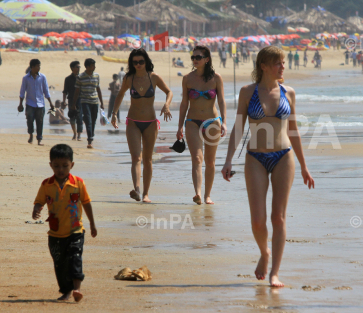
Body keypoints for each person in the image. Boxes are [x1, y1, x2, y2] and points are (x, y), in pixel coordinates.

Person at [221, 46, 314, 287]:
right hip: (255, 158)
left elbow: (293, 130)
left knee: (278, 218)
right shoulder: (247, 92)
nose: (282, 66)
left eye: (283, 62)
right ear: (263, 66)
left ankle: (275, 273)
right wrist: (229, 159)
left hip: (284, 157)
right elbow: (238, 127)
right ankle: (264, 253)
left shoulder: (289, 92)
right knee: (258, 221)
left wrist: (304, 166)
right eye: (277, 63)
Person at [32, 144, 97, 302]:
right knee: (59, 264)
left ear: (72, 165)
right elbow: (39, 201)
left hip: (75, 230)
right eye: (56, 166)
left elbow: (87, 203)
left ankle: (77, 289)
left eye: (65, 166)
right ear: (51, 165)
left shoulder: (78, 183)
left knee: (75, 257)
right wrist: (36, 209)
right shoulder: (46, 184)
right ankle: (66, 291)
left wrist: (92, 224)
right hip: (55, 233)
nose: (60, 169)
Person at [111, 49, 173, 203]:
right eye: (135, 62)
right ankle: (137, 190)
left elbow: (169, 92)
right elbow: (120, 95)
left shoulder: (154, 77)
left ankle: (146, 194)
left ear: (146, 62)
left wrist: (166, 105)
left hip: (151, 123)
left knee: (148, 159)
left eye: (141, 62)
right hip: (133, 122)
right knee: (135, 157)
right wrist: (114, 114)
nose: (138, 65)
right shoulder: (129, 78)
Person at [177, 45, 226, 205]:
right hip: (192, 122)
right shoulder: (187, 79)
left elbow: (221, 101)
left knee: (210, 161)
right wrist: (179, 126)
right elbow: (184, 103)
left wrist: (224, 122)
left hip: (212, 122)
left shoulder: (216, 78)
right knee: (197, 158)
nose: (195, 60)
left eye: (198, 57)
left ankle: (207, 196)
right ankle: (197, 193)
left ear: (207, 59)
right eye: (193, 57)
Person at [18, 59, 54, 146]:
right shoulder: (26, 78)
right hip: (30, 103)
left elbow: (46, 91)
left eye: (39, 66)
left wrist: (51, 103)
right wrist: (20, 104)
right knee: (29, 120)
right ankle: (31, 134)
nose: (39, 67)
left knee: (40, 122)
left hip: (40, 104)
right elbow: (22, 92)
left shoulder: (42, 77)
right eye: (37, 66)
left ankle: (39, 139)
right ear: (32, 67)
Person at [71, 59, 104, 149]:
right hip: (85, 102)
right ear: (88, 66)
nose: (94, 67)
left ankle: (91, 135)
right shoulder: (80, 77)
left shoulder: (97, 76)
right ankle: (90, 140)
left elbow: (98, 89)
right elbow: (77, 91)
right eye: (93, 65)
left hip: (95, 102)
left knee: (93, 120)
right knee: (88, 120)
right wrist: (73, 104)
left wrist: (102, 102)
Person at [62, 61, 84, 141]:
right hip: (71, 100)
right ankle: (74, 133)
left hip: (80, 100)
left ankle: (79, 135)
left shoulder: (82, 78)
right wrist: (64, 101)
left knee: (79, 117)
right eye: (77, 67)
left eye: (79, 67)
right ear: (72, 68)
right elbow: (65, 91)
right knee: (72, 117)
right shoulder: (68, 79)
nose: (78, 69)